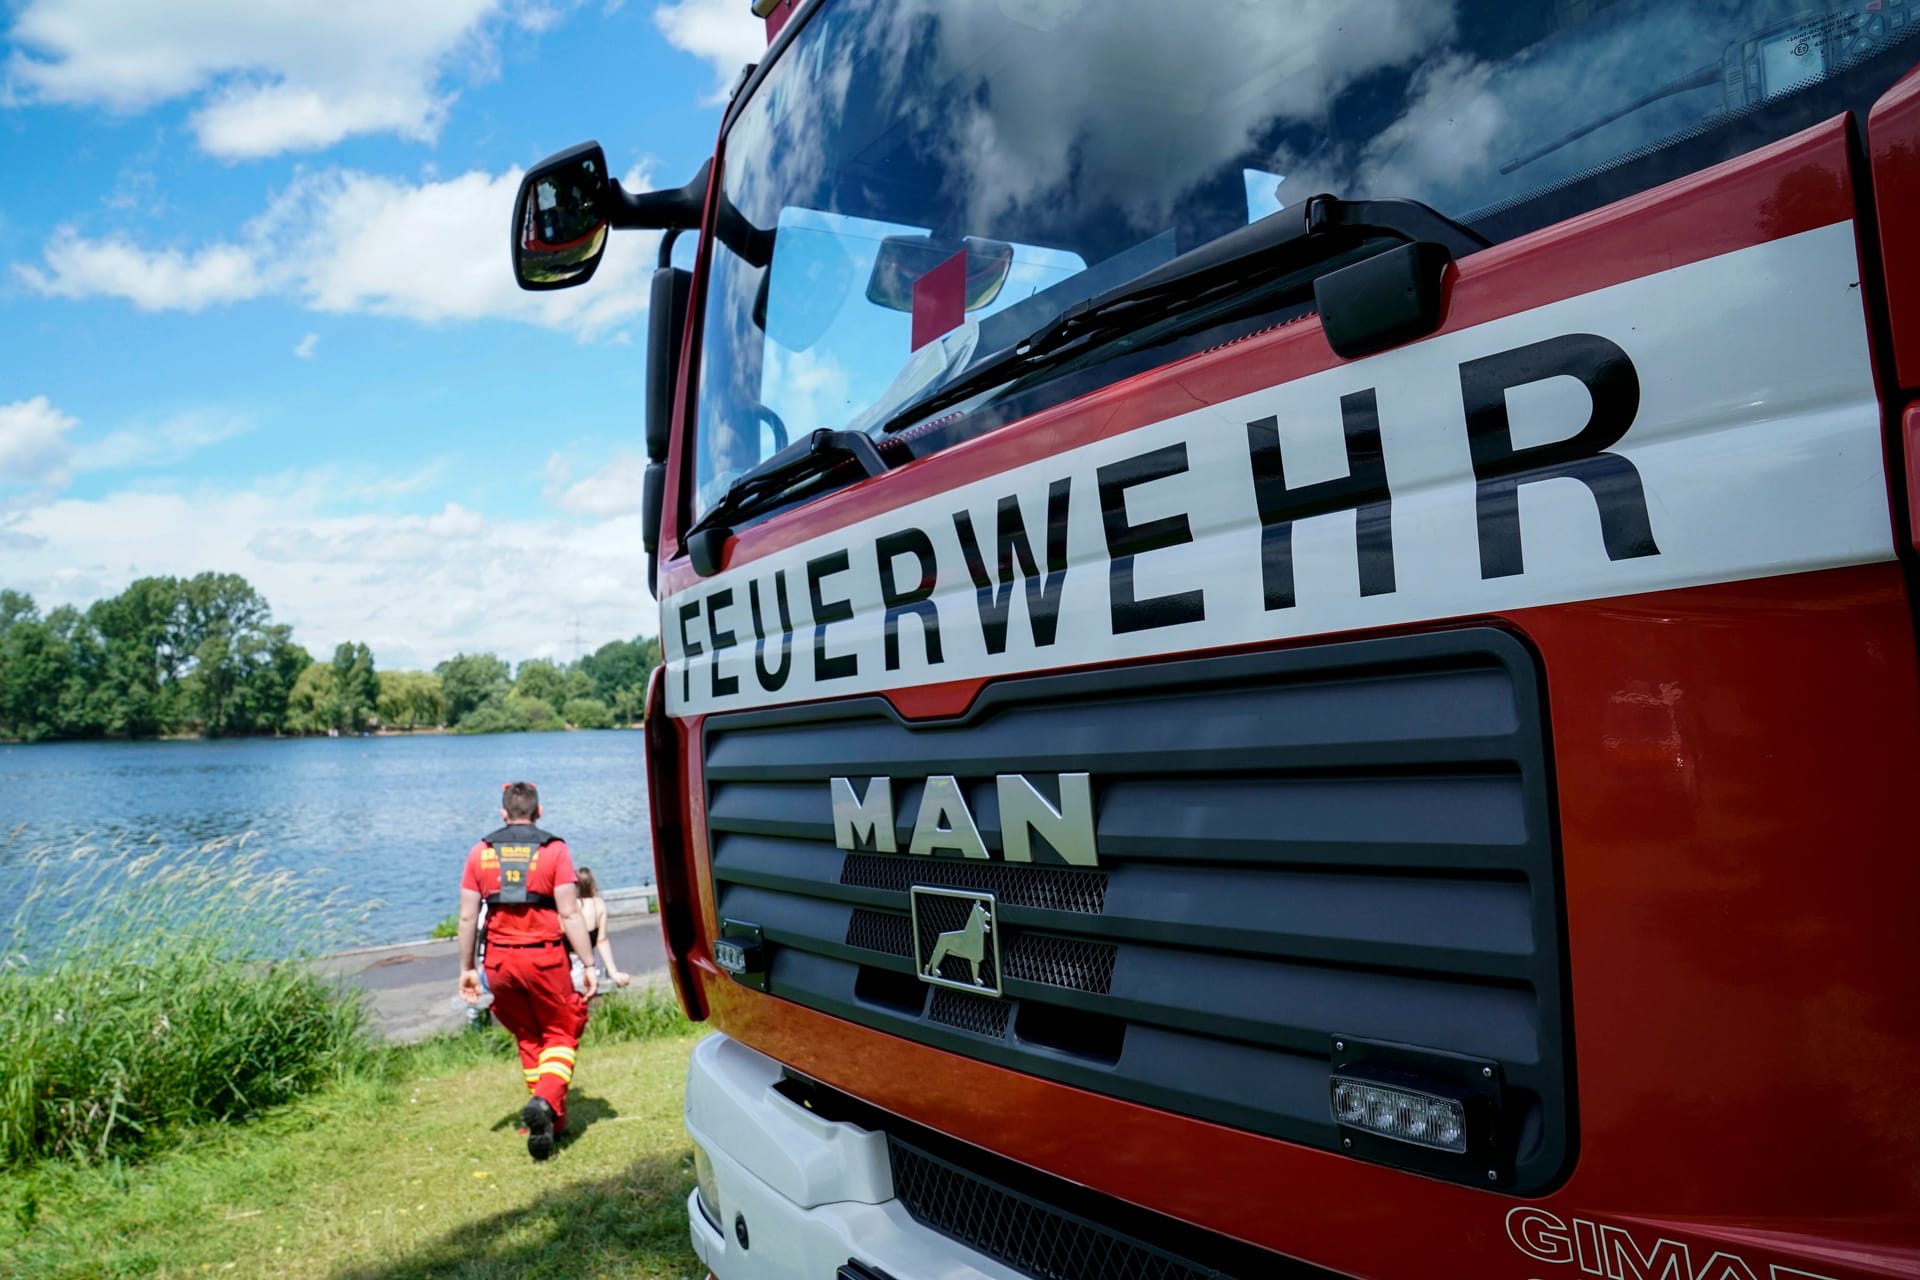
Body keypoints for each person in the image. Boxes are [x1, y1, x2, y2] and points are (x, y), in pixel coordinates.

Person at [455, 781, 597, 1161]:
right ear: (539, 811)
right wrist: (588, 963)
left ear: (504, 814)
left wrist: (467, 968)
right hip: (544, 960)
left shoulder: (480, 852)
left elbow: (468, 916)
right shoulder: (555, 850)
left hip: (499, 963)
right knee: (563, 1032)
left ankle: (552, 1120)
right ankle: (545, 1101)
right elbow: (568, 912)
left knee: (529, 1037)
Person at [570, 867, 632, 996]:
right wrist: (613, 972)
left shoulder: (568, 906)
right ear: (593, 884)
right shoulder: (598, 905)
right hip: (593, 967)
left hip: (570, 969)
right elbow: (601, 940)